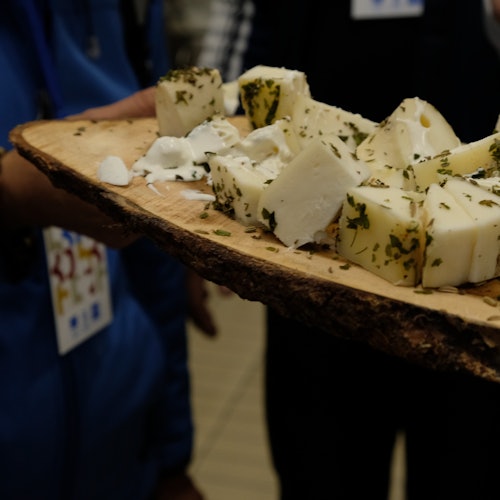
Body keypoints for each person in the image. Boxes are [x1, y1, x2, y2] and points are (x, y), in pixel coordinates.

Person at [197, 1, 500, 499]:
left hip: (470, 279)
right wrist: (222, 178)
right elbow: (239, 62)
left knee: (466, 469)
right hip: (317, 271)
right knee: (324, 469)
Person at [1, 1, 213, 498]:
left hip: (119, 432)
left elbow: (155, 258)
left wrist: (170, 455)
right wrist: (7, 194)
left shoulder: (129, 9)